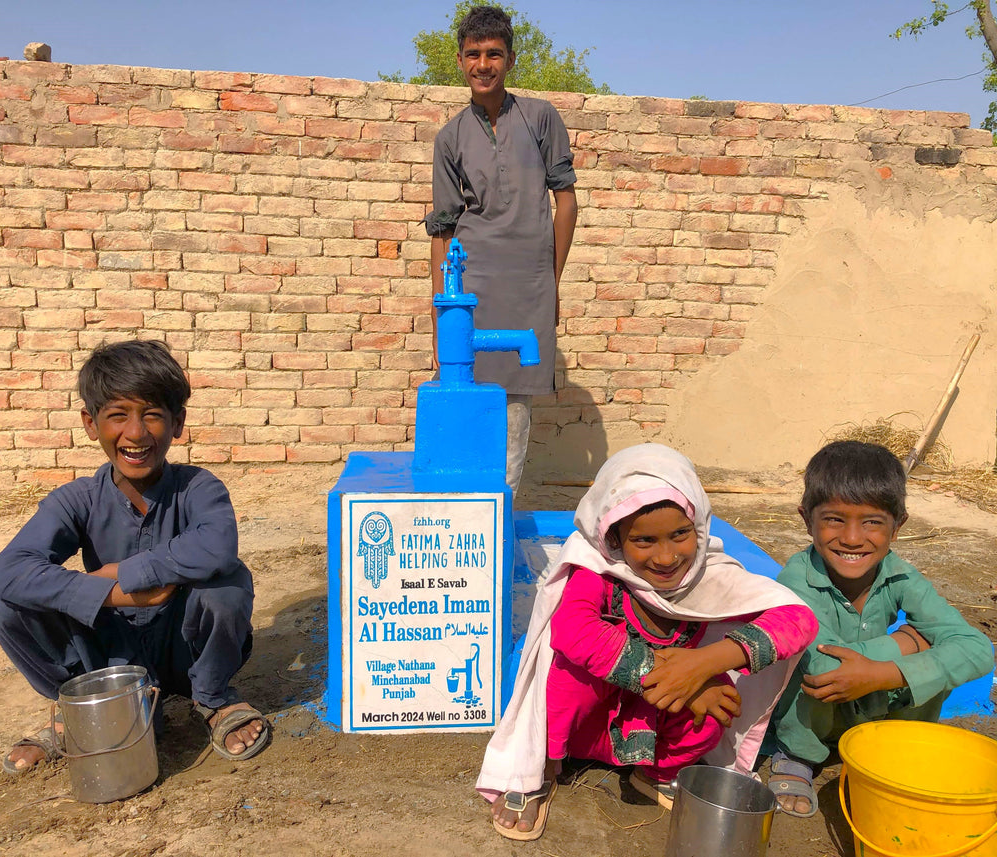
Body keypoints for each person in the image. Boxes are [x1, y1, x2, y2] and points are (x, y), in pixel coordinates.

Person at [477, 443, 818, 841]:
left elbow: (799, 620)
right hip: (591, 723)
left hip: (662, 718)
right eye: (644, 541)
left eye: (680, 535)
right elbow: (576, 630)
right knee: (568, 672)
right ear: (615, 539)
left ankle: (653, 774)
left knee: (719, 699)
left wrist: (701, 666)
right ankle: (542, 769)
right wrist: (663, 672)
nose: (667, 556)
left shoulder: (711, 572)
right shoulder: (598, 571)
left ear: (700, 527)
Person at [0, 340, 270, 773]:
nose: (136, 433)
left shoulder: (198, 488)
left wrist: (131, 571)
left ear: (178, 423)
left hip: (185, 647)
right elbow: (10, 572)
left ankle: (213, 697)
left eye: (152, 414)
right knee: (4, 603)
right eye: (118, 415)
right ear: (90, 423)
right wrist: (113, 594)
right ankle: (79, 706)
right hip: (110, 656)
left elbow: (217, 547)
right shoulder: (74, 500)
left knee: (228, 582)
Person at [767, 441, 994, 817]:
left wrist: (882, 672)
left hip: (872, 707)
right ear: (807, 519)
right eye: (834, 519)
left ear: (898, 525)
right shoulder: (795, 580)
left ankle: (898, 745)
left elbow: (977, 649)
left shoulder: (900, 574)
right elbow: (828, 670)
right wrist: (903, 644)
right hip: (817, 713)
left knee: (942, 665)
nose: (853, 538)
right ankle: (797, 756)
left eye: (872, 522)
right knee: (809, 674)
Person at [424, 4, 578, 495]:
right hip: (472, 287)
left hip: (530, 284)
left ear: (511, 60)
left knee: (515, 409)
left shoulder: (540, 118)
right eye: (474, 54)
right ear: (460, 60)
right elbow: (443, 231)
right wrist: (439, 312)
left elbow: (566, 200)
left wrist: (550, 283)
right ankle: (467, 517)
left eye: (494, 54)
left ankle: (501, 511)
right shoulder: (450, 137)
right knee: (468, 398)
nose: (483, 64)